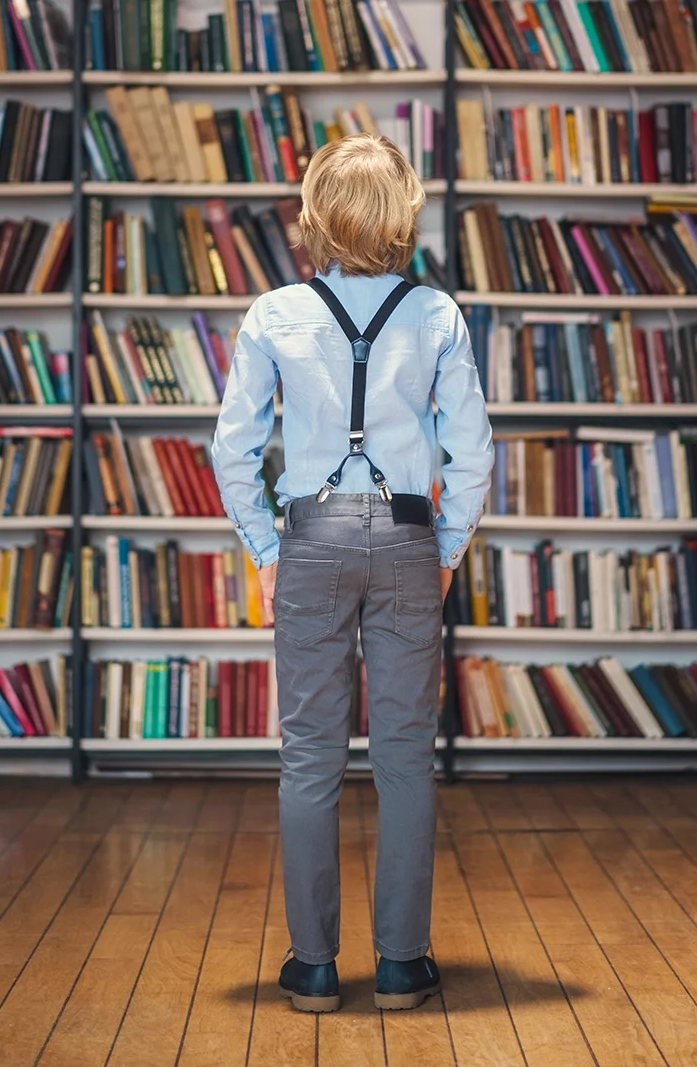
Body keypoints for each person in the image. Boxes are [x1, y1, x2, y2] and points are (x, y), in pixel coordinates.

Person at [211, 134, 493, 1013]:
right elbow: (474, 454)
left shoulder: (273, 312)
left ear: (315, 213)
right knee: (406, 758)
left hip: (311, 542)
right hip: (409, 541)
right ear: (402, 212)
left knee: (309, 763)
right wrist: (443, 550)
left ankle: (314, 969)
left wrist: (263, 548)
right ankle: (403, 966)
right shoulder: (437, 313)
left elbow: (234, 449)